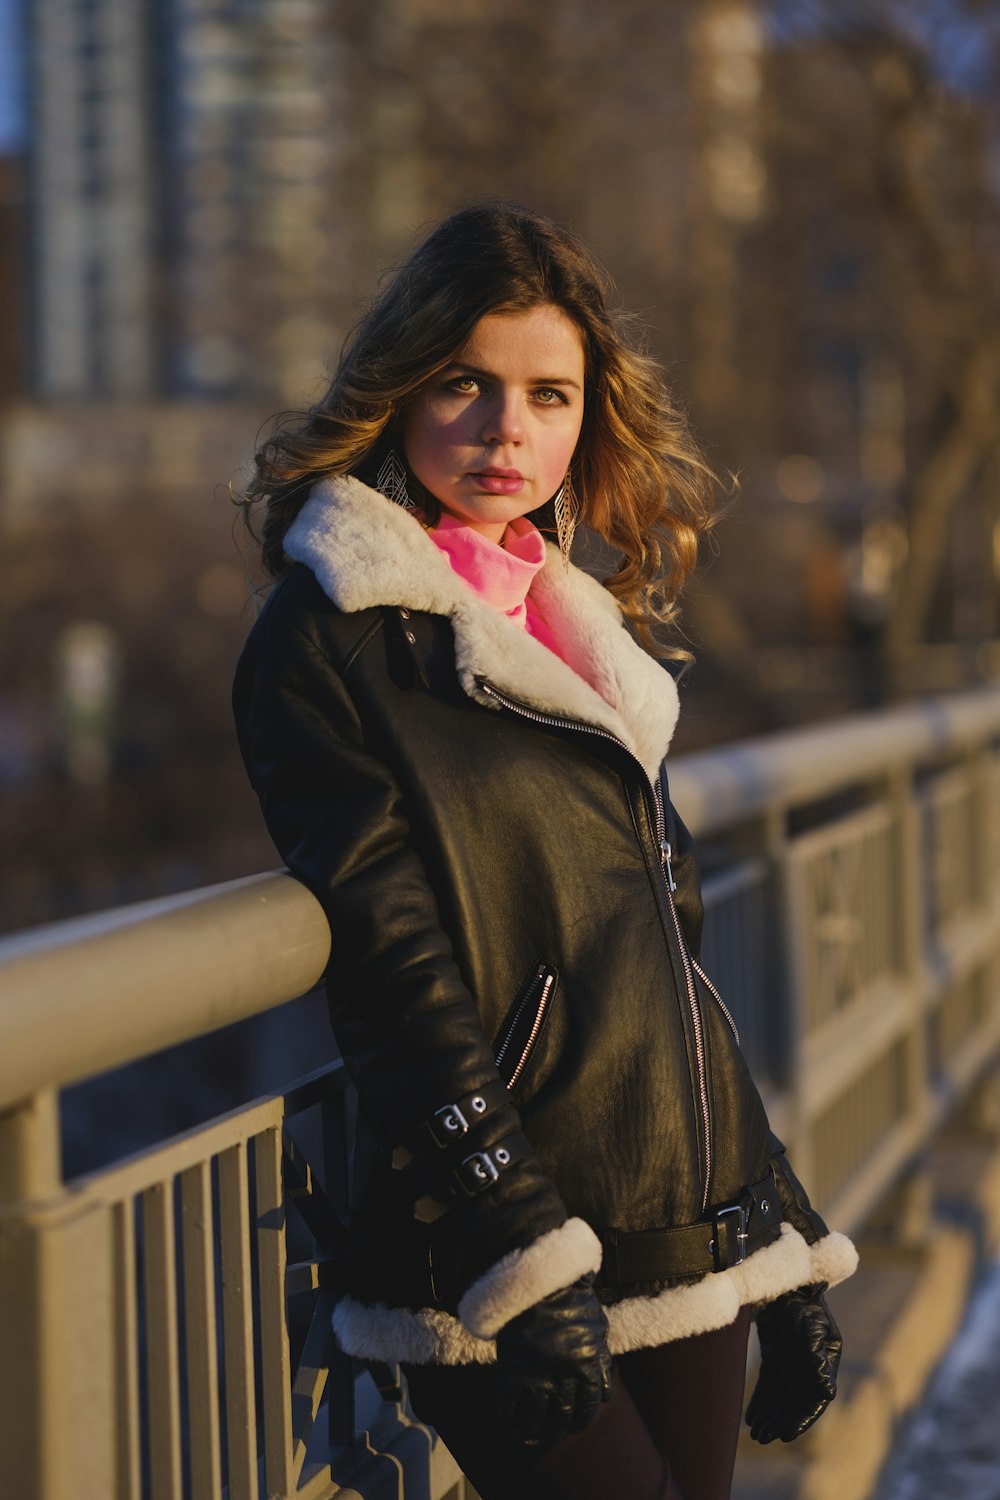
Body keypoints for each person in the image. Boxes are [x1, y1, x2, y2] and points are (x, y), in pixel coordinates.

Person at [232, 201, 857, 1500]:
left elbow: (666, 976)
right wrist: (516, 1243)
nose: (508, 429)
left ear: (588, 418)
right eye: (466, 383)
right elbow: (395, 978)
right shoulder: (333, 631)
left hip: (678, 1221)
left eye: (548, 394)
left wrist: (779, 1224)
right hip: (490, 1233)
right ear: (400, 387)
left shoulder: (585, 628)